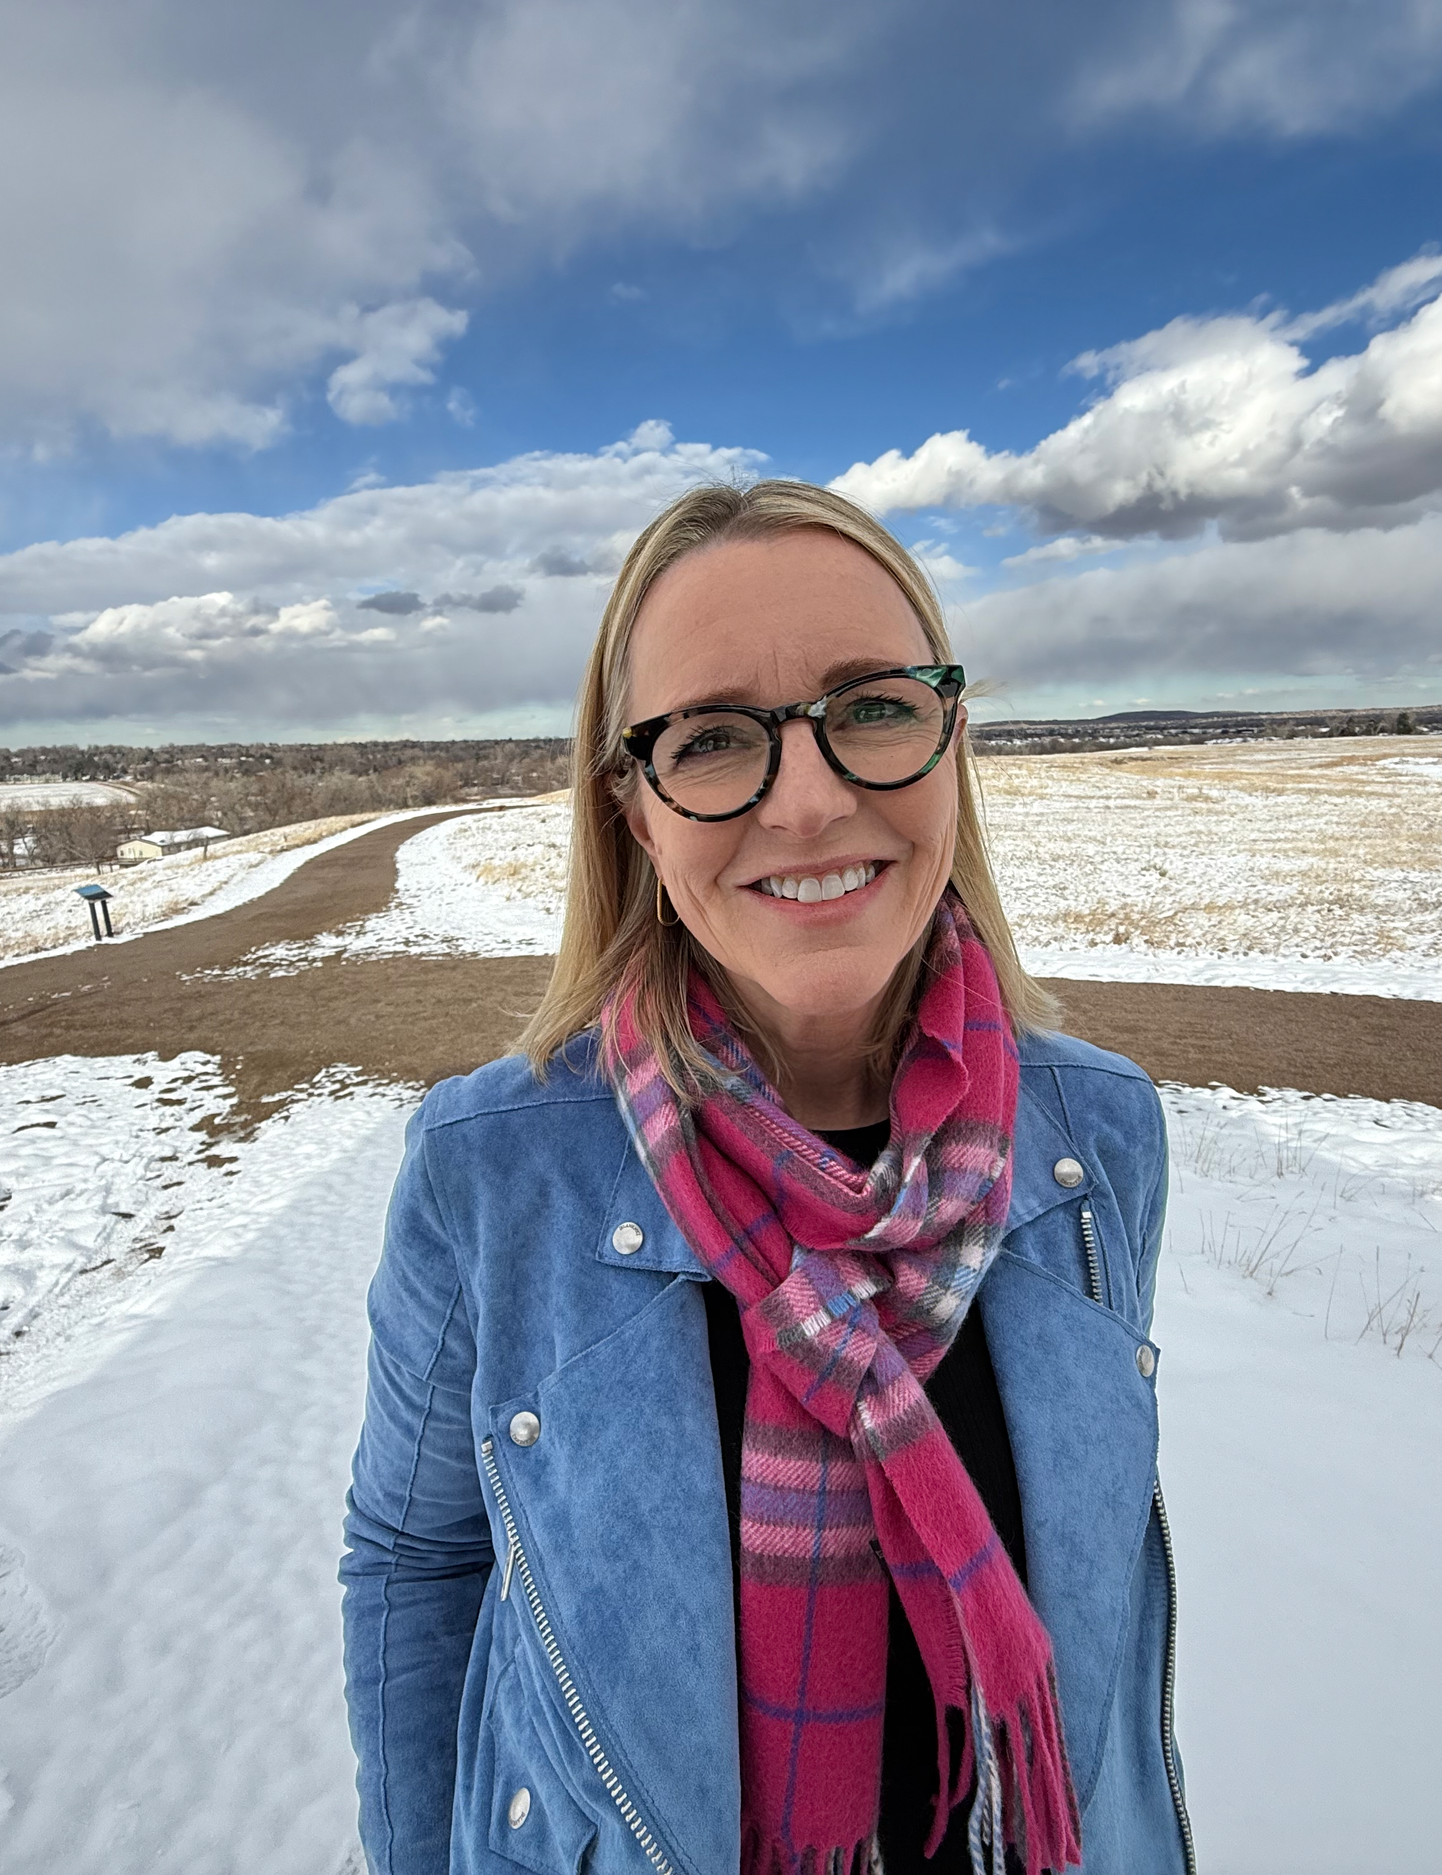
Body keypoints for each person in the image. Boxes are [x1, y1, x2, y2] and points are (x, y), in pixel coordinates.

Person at [340, 481, 1190, 1875]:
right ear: (634, 812)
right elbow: (415, 1559)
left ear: (951, 742)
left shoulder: (1097, 1139)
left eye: (874, 706)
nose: (809, 799)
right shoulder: (493, 1172)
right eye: (715, 738)